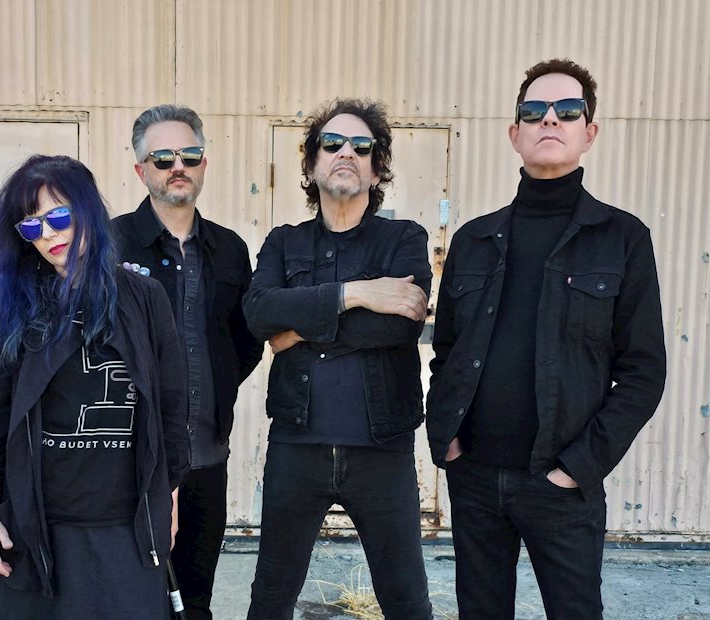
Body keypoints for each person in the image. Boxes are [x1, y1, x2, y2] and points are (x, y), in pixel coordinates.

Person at [426, 58, 667, 619]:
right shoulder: (474, 239)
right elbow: (447, 354)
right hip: (475, 477)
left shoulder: (622, 238)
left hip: (562, 484)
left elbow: (643, 372)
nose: (550, 120)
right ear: (515, 133)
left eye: (568, 110)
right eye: (534, 111)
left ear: (590, 132)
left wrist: (578, 466)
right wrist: (449, 441)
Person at [0, 155, 189, 619]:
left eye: (59, 217)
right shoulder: (17, 307)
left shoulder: (144, 297)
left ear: (88, 211)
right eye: (31, 226)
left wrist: (169, 496)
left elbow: (172, 407)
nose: (48, 234)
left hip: (122, 526)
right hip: (34, 526)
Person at [243, 98, 434, 619]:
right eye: (331, 144)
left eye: (361, 146)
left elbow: (398, 325)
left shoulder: (404, 238)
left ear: (377, 169)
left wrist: (295, 329)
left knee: (407, 600)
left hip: (382, 450)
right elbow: (258, 313)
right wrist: (356, 293)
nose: (346, 152)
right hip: (296, 447)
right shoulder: (284, 243)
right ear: (311, 166)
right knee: (270, 599)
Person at [112, 104, 263, 619]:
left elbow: (244, 341)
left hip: (205, 457)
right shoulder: (110, 244)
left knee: (195, 599)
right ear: (141, 171)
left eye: (189, 155)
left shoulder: (230, 249)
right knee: (130, 598)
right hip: (127, 460)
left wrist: (214, 387)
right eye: (162, 158)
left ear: (204, 164)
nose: (177, 167)